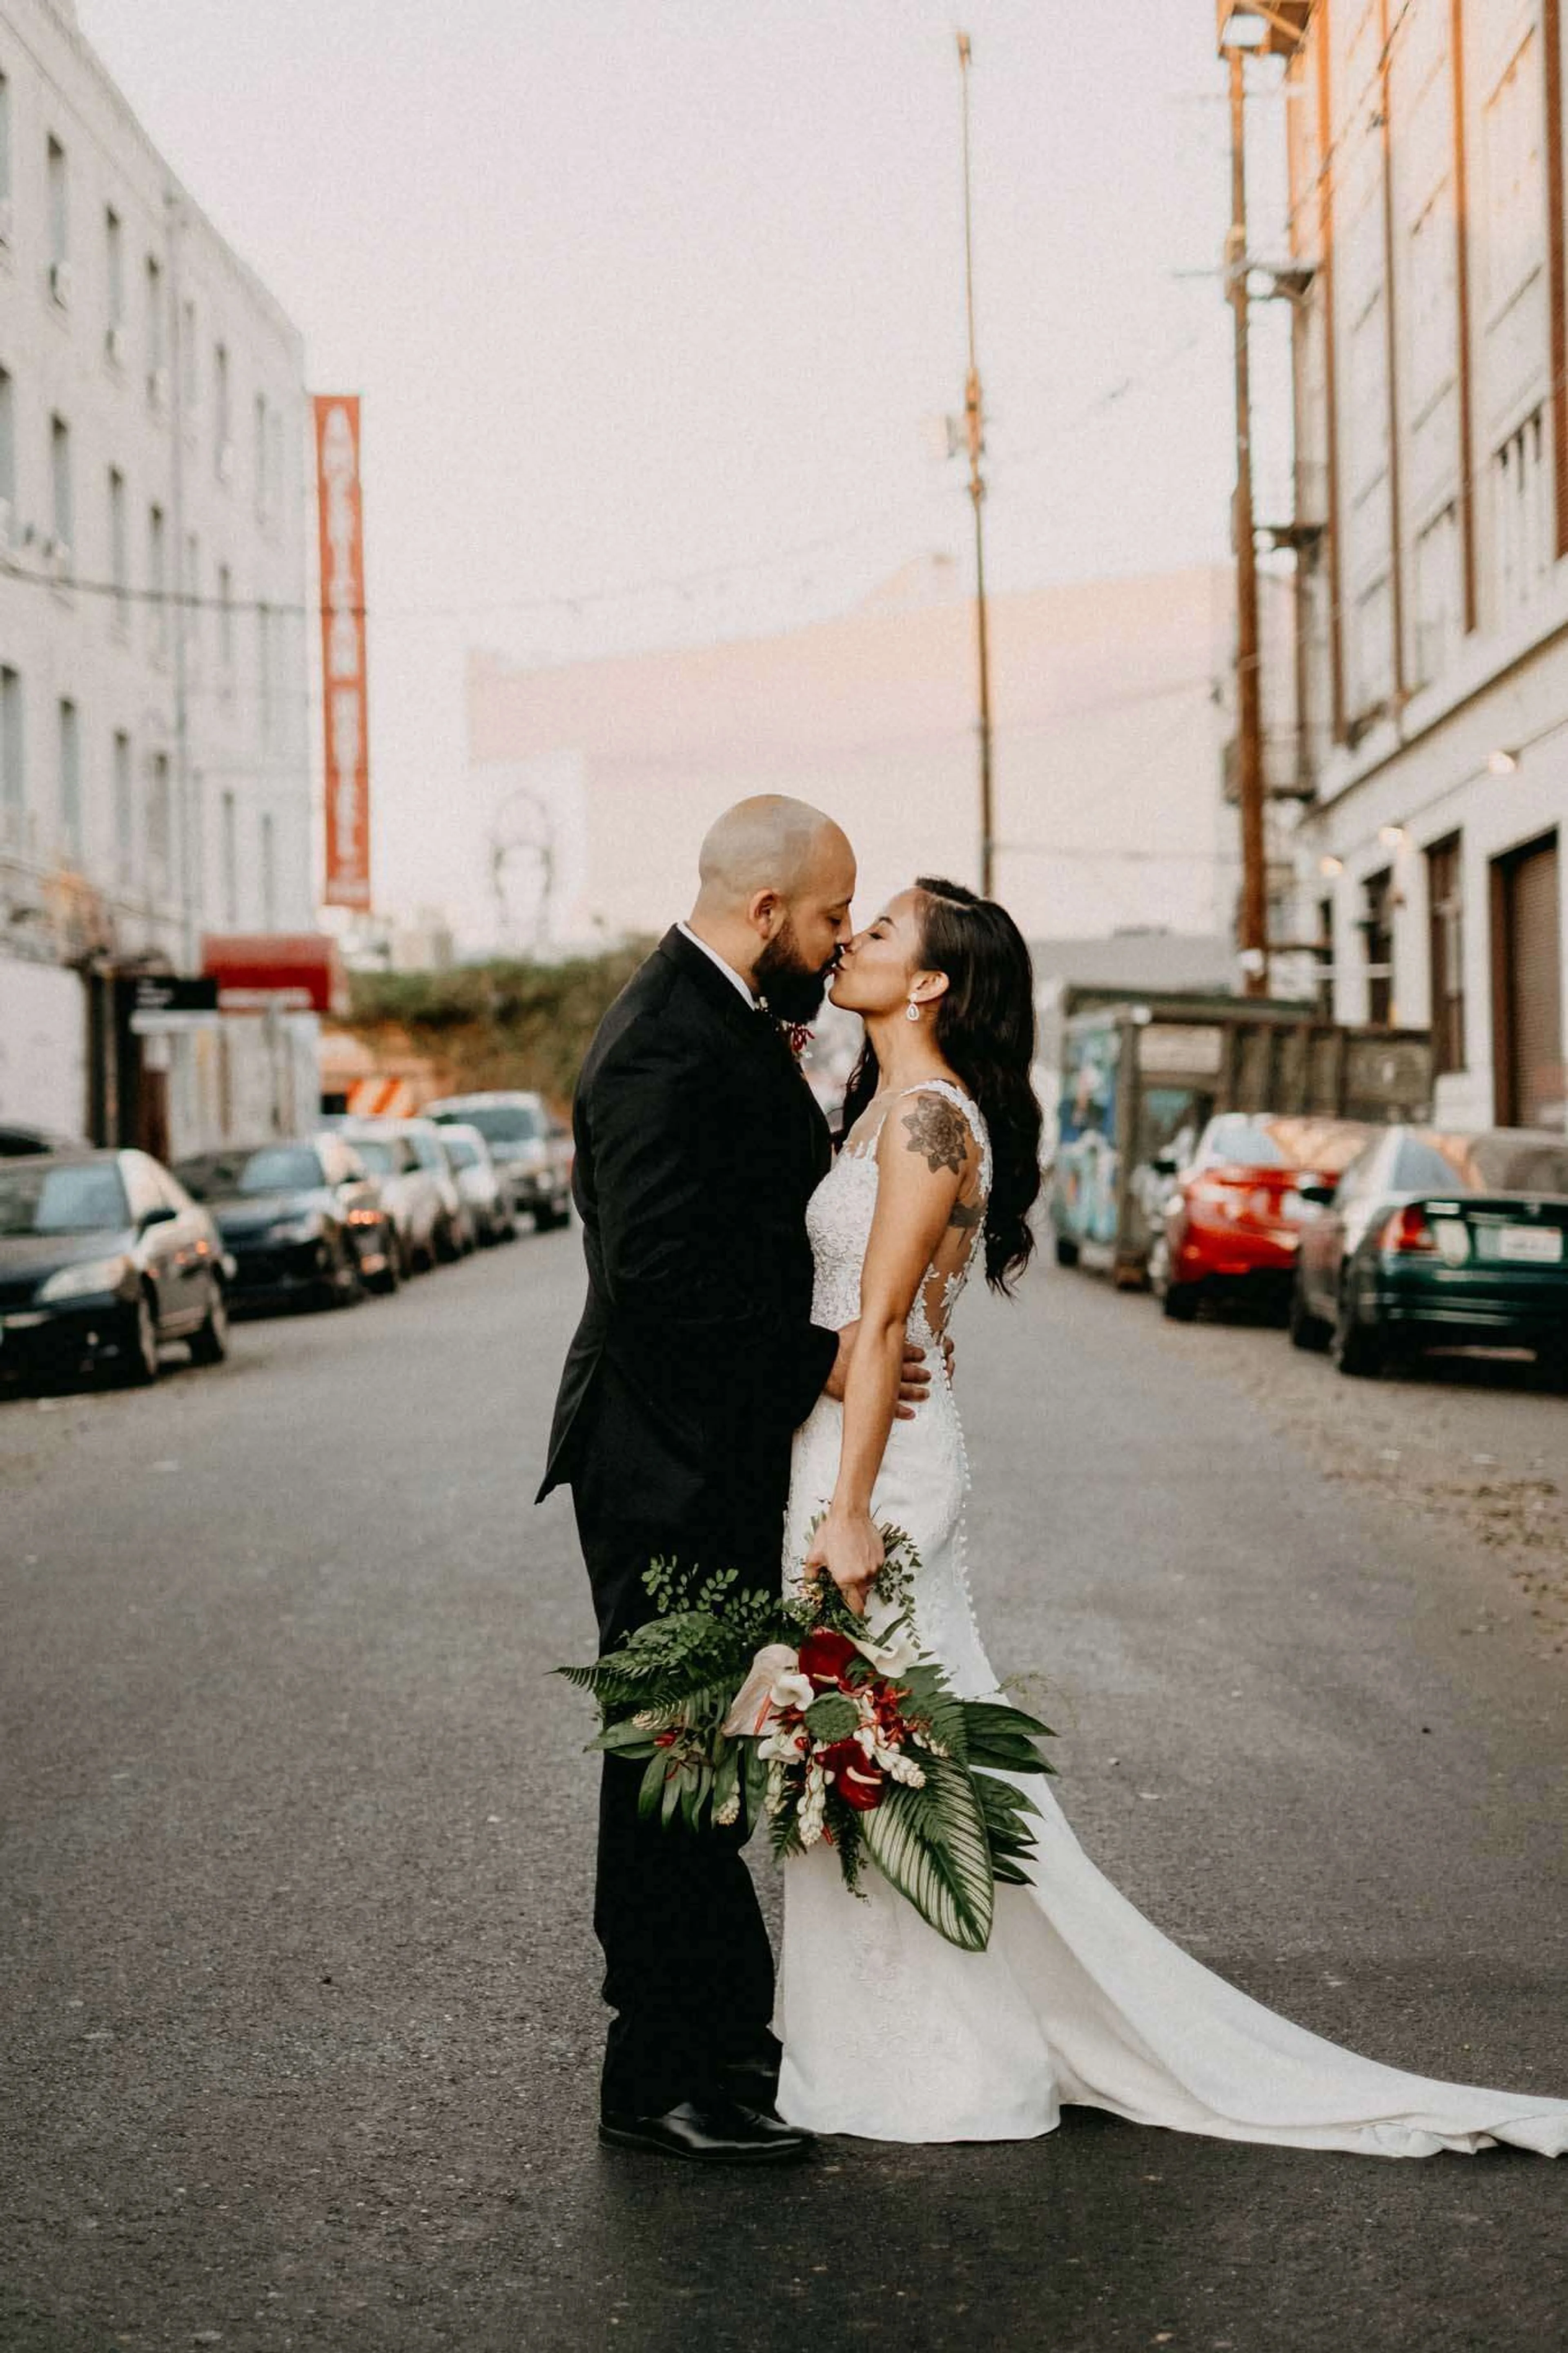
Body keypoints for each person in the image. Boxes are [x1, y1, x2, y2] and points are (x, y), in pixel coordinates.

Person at [775, 874, 1568, 2159]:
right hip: (853, 1438)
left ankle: (938, 2058)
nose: (852, 942)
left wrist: (854, 1507)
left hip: (879, 1464)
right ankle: (869, 2034)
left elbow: (874, 1327)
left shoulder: (925, 1120)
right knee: (880, 1753)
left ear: (927, 982)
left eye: (877, 935)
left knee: (885, 1748)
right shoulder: (877, 1108)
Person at [538, 796, 935, 2166]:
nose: (838, 944)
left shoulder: (715, 1018)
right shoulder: (661, 1042)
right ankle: (658, 2074)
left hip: (705, 1446)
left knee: (699, 1748)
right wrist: (823, 1360)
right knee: (669, 1755)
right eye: (832, 916)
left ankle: (716, 2042)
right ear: (768, 913)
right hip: (663, 1457)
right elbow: (655, 1280)